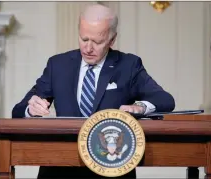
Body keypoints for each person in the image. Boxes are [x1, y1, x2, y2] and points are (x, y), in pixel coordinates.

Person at [12, 4, 175, 179]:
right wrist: (31, 109)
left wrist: (141, 108)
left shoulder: (128, 66)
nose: (88, 48)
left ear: (112, 40)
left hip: (111, 167)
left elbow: (165, 100)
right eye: (84, 39)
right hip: (60, 167)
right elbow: (18, 110)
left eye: (97, 42)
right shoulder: (58, 65)